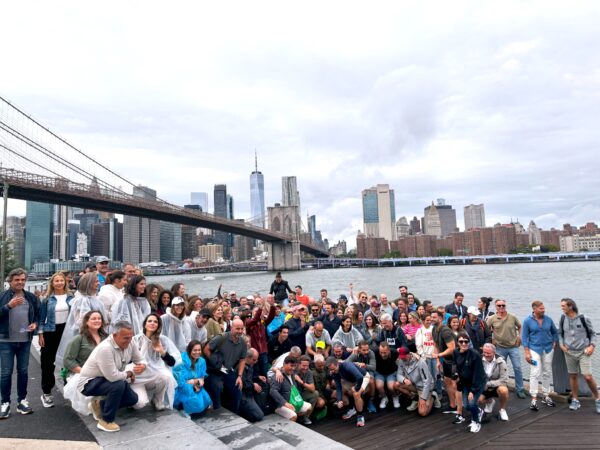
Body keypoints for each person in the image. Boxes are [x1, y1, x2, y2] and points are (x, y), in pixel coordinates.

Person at [78, 321, 147, 432]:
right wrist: (129, 373)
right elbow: (113, 377)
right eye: (125, 338)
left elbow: (140, 359)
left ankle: (99, 405)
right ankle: (106, 421)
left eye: (130, 337)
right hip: (89, 383)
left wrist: (143, 365)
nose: (129, 341)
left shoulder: (131, 341)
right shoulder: (105, 348)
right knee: (118, 385)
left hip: (109, 378)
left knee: (133, 399)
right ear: (114, 335)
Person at [0, 268, 40, 418]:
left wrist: (35, 324)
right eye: (17, 280)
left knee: (23, 372)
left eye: (23, 279)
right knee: (5, 373)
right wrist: (8, 306)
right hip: (5, 341)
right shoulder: (2, 296)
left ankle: (22, 401)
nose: (20, 282)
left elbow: (37, 315)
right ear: (10, 281)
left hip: (24, 341)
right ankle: (5, 403)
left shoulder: (31, 297)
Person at [55, 272, 108, 370]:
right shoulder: (82, 300)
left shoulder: (96, 299)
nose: (98, 283)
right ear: (89, 283)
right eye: (96, 281)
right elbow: (81, 321)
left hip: (96, 334)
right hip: (86, 337)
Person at [38, 271, 74, 408]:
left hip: (67, 332)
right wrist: (40, 334)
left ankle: (69, 389)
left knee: (68, 361)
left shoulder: (71, 296)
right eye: (56, 281)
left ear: (65, 282)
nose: (59, 283)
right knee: (47, 363)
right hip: (50, 332)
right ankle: (46, 392)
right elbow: (41, 318)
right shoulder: (47, 299)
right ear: (52, 283)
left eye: (61, 280)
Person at [558, 298, 600, 413]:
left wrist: (592, 346)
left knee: (587, 376)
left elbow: (593, 334)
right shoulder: (563, 318)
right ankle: (575, 400)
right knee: (573, 376)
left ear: (570, 306)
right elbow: (560, 334)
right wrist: (561, 345)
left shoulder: (584, 318)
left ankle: (598, 398)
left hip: (583, 351)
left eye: (563, 306)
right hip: (569, 352)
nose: (562, 308)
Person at [62, 311, 108, 416]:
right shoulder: (78, 339)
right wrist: (84, 371)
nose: (97, 320)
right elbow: (68, 360)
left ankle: (101, 403)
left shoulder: (107, 338)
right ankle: (96, 405)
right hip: (83, 373)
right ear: (87, 322)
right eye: (93, 318)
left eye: (99, 318)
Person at [133, 314, 180, 410]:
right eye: (149, 321)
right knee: (139, 404)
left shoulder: (163, 340)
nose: (152, 323)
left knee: (166, 376)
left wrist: (162, 351)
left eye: (155, 322)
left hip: (152, 375)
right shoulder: (136, 339)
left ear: (158, 325)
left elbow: (172, 362)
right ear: (145, 324)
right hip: (138, 376)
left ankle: (157, 400)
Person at [522, 300, 558, 411]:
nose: (543, 310)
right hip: (534, 350)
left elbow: (554, 332)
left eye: (543, 308)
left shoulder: (548, 319)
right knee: (535, 372)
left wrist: (554, 342)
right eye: (541, 308)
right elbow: (524, 337)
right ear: (534, 309)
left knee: (547, 372)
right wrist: (527, 352)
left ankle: (546, 395)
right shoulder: (527, 321)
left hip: (548, 349)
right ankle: (533, 398)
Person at [204, 319, 247, 412]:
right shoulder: (221, 337)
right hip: (213, 370)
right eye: (237, 329)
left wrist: (239, 376)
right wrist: (214, 361)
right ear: (232, 328)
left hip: (226, 370)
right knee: (217, 387)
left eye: (241, 329)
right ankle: (217, 411)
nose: (240, 331)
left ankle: (234, 413)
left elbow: (243, 359)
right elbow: (206, 349)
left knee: (237, 388)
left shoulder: (243, 342)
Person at [486, 299, 526, 398]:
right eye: (499, 306)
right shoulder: (492, 318)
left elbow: (520, 326)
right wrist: (491, 340)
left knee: (517, 368)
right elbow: (486, 330)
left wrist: (519, 336)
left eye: (503, 305)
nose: (501, 307)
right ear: (496, 307)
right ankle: (501, 387)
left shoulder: (512, 317)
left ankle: (520, 389)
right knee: (499, 369)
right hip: (499, 348)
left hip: (513, 347)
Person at [453, 332, 486, 433]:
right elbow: (454, 364)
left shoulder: (475, 355)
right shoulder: (455, 352)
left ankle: (475, 422)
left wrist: (473, 390)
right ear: (457, 343)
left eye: (466, 341)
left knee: (471, 403)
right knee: (466, 405)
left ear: (469, 342)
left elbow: (478, 374)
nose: (463, 344)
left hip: (477, 383)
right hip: (465, 383)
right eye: (461, 341)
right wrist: (454, 374)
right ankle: (479, 411)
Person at [326, 356, 369, 427]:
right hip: (351, 380)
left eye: (333, 369)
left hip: (363, 377)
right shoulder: (334, 371)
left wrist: (356, 388)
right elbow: (338, 387)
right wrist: (339, 400)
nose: (332, 371)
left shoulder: (347, 365)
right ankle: (352, 408)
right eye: (331, 370)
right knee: (342, 390)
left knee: (356, 394)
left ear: (337, 364)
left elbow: (360, 377)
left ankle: (360, 416)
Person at [394, 347, 438, 416]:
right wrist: (404, 380)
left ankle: (433, 397)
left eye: (404, 357)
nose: (402, 359)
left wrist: (423, 398)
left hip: (424, 387)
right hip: (414, 385)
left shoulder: (420, 362)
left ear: (409, 354)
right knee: (396, 385)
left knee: (422, 413)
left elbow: (427, 381)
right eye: (401, 357)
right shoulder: (401, 360)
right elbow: (398, 374)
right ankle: (415, 398)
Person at [173, 340, 212, 416]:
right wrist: (196, 381)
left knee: (205, 401)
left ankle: (188, 409)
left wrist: (195, 382)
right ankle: (182, 407)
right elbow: (180, 381)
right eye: (195, 350)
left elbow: (202, 378)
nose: (197, 352)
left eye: (199, 350)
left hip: (196, 385)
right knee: (196, 402)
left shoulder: (202, 361)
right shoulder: (182, 360)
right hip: (182, 387)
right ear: (189, 350)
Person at [270, 355, 312, 422]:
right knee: (293, 416)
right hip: (280, 405)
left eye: (294, 366)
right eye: (291, 366)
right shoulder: (278, 376)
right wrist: (285, 403)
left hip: (293, 401)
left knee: (309, 407)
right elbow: (273, 391)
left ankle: (297, 419)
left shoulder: (293, 374)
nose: (293, 368)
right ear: (284, 364)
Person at [431, 310, 458, 412]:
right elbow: (436, 345)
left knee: (455, 383)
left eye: (434, 317)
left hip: (456, 360)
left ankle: (460, 407)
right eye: (431, 317)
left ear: (441, 318)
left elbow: (452, 348)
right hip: (446, 360)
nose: (432, 319)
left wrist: (438, 355)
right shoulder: (434, 329)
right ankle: (452, 405)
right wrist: (438, 360)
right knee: (447, 382)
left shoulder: (445, 331)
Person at [244, 296, 275, 377]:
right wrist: (260, 308)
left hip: (263, 352)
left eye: (260, 312)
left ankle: (266, 386)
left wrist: (272, 306)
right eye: (257, 311)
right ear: (253, 313)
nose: (260, 313)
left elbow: (271, 317)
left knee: (265, 372)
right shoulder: (249, 323)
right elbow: (254, 320)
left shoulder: (262, 323)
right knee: (255, 373)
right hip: (254, 352)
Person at [479, 343, 509, 421]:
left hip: (496, 386)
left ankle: (502, 410)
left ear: (494, 353)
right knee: (478, 400)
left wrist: (489, 384)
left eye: (488, 353)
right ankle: (490, 402)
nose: (486, 355)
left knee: (504, 390)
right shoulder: (479, 360)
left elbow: (504, 379)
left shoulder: (501, 362)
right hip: (484, 386)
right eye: (484, 352)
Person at [239, 348, 268, 422]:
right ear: (247, 358)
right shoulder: (240, 367)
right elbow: (243, 383)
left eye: (256, 360)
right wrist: (253, 385)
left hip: (250, 393)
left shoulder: (250, 365)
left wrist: (258, 377)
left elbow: (250, 378)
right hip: (244, 396)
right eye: (254, 360)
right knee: (259, 415)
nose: (255, 362)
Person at [415, 314, 440, 396]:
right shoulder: (420, 331)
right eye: (427, 320)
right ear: (423, 321)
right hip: (426, 357)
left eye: (430, 320)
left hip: (435, 356)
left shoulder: (434, 329)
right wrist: (423, 356)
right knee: (428, 376)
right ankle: (430, 393)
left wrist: (437, 355)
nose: (429, 322)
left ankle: (439, 392)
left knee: (437, 375)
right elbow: (418, 345)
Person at [295, 355, 321, 424]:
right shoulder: (293, 370)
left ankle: (305, 417)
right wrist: (277, 371)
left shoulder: (309, 372)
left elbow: (312, 389)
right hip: (293, 395)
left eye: (307, 366)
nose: (305, 368)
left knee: (315, 394)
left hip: (301, 393)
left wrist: (301, 382)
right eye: (303, 366)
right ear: (299, 364)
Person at [374, 341, 400, 409]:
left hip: (391, 373)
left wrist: (414, 354)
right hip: (379, 373)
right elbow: (365, 351)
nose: (382, 355)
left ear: (389, 350)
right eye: (381, 352)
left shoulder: (394, 352)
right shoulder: (375, 351)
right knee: (379, 386)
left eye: (384, 352)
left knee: (391, 387)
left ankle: (395, 396)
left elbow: (405, 353)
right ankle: (384, 397)